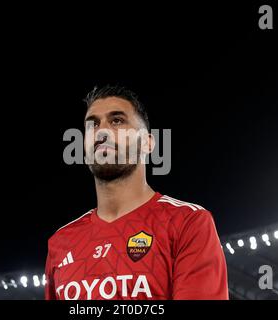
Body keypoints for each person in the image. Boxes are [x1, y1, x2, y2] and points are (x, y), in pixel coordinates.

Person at [45, 85, 228, 300]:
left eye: (117, 121)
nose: (101, 131)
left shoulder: (188, 223)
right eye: (92, 125)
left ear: (148, 143)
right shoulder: (61, 242)